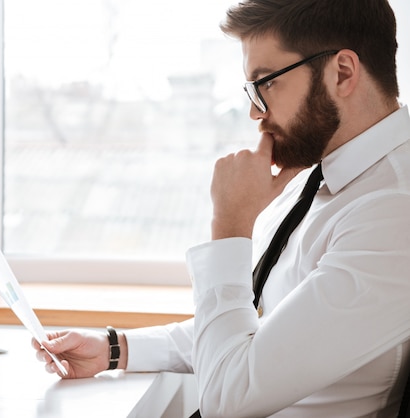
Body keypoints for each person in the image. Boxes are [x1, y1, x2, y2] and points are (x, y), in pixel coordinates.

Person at [32, 0, 410, 416]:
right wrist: (114, 348)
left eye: (266, 82)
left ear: (342, 73)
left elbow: (228, 397)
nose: (254, 111)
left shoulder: (393, 212)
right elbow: (256, 332)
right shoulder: (325, 177)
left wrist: (231, 225)